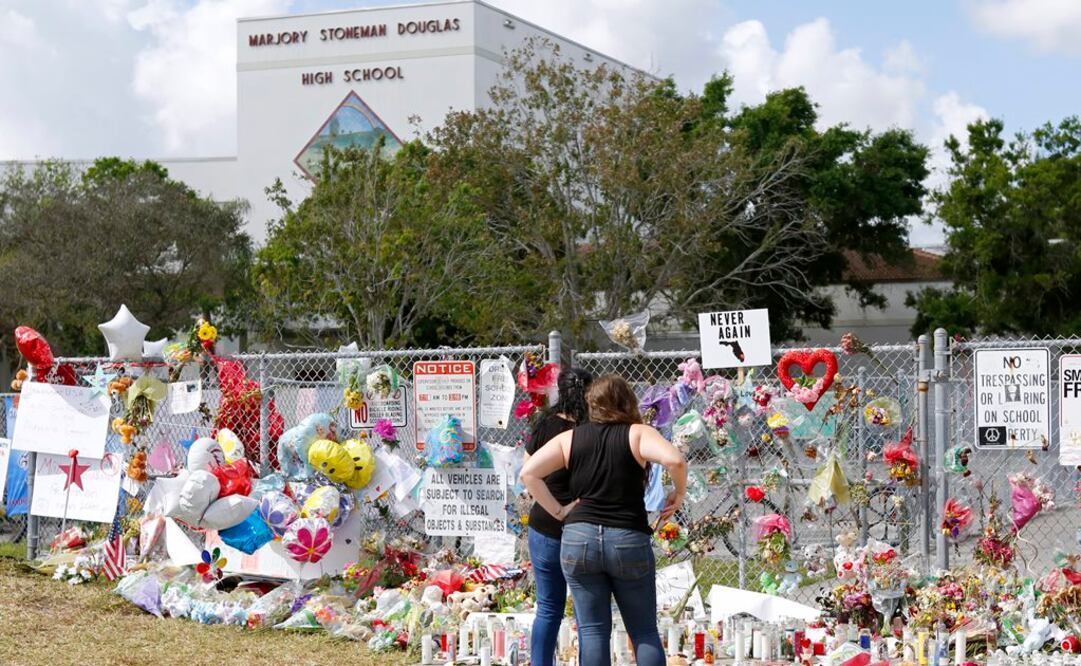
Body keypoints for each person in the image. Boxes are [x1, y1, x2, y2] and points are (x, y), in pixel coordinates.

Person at [520, 374, 687, 666]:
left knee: (594, 631)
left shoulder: (571, 437)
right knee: (643, 630)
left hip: (578, 538)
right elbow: (675, 460)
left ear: (591, 403)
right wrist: (678, 494)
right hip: (626, 537)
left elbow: (529, 473)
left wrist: (559, 511)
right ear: (627, 401)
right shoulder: (637, 433)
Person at [523, 367, 593, 666]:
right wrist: (565, 510)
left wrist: (554, 509)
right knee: (587, 613)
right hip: (583, 525)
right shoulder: (594, 430)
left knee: (548, 608)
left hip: (544, 525)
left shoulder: (544, 425)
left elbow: (526, 472)